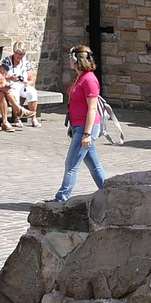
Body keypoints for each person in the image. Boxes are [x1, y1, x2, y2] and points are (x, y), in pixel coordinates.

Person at [52, 44, 107, 202]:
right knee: (94, 165)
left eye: (71, 58)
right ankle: (109, 193)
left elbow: (92, 109)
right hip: (78, 126)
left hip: (86, 128)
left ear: (77, 60)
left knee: (71, 165)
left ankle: (61, 199)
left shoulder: (89, 80)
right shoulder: (78, 77)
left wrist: (87, 134)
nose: (69, 60)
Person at [1, 42, 39, 127]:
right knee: (14, 94)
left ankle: (34, 118)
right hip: (11, 84)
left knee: (32, 92)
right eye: (18, 54)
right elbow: (1, 77)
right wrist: (10, 78)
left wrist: (27, 82)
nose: (20, 56)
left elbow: (32, 80)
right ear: (14, 52)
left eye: (22, 54)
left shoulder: (26, 62)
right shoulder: (7, 61)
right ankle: (17, 118)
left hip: (23, 85)